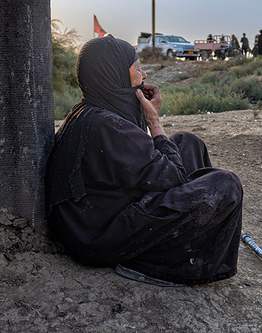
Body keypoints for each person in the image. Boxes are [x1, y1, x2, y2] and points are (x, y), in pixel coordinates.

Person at [45, 35, 243, 286]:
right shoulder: (107, 125)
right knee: (226, 184)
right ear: (113, 74)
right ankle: (162, 263)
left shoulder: (94, 109)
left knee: (187, 142)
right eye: (137, 68)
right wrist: (154, 122)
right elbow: (175, 176)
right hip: (97, 237)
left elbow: (147, 161)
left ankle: (187, 237)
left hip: (98, 220)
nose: (144, 76)